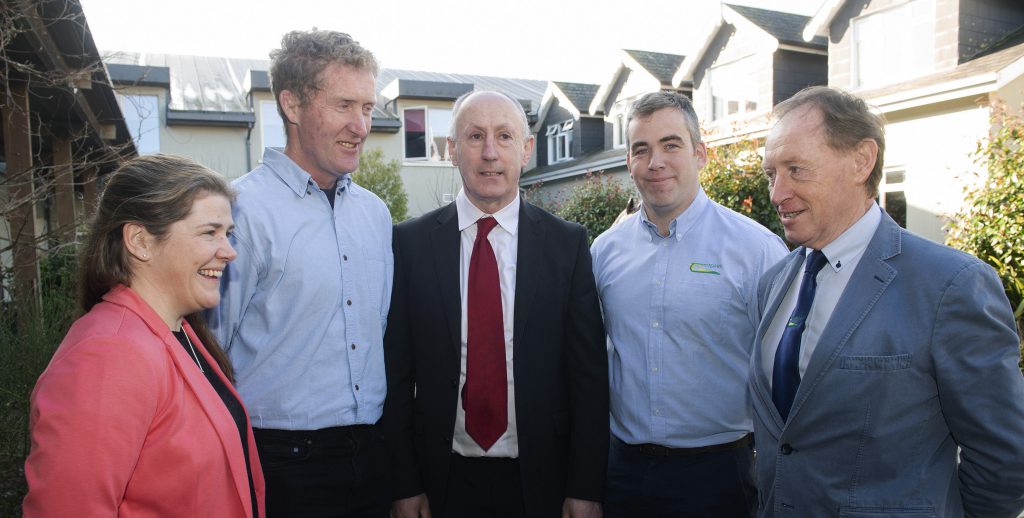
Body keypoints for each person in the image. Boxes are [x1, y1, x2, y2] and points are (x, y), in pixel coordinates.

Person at [751, 85, 1024, 517]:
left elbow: (1003, 458)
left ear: (862, 160)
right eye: (771, 174)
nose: (776, 192)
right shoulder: (775, 282)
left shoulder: (951, 285)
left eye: (796, 170)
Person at [383, 91, 608, 518]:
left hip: (541, 482)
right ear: (452, 150)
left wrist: (584, 486)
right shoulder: (410, 245)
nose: (490, 153)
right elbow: (395, 375)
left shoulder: (567, 245)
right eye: (474, 136)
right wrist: (405, 482)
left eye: (504, 136)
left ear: (525, 150)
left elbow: (589, 378)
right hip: (441, 480)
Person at [206, 30, 393, 517]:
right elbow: (207, 357)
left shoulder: (375, 214)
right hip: (280, 467)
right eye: (344, 105)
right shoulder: (237, 212)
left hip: (373, 457)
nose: (361, 125)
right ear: (292, 104)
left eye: (368, 108)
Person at [23, 154, 264, 517]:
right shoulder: (108, 355)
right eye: (209, 232)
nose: (229, 251)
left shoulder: (179, 333)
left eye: (228, 234)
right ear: (140, 241)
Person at [590, 91, 787, 517]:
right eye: (641, 150)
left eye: (671, 145)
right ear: (629, 162)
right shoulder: (604, 252)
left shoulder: (757, 251)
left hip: (719, 476)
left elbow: (786, 373)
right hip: (623, 473)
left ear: (700, 154)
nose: (655, 161)